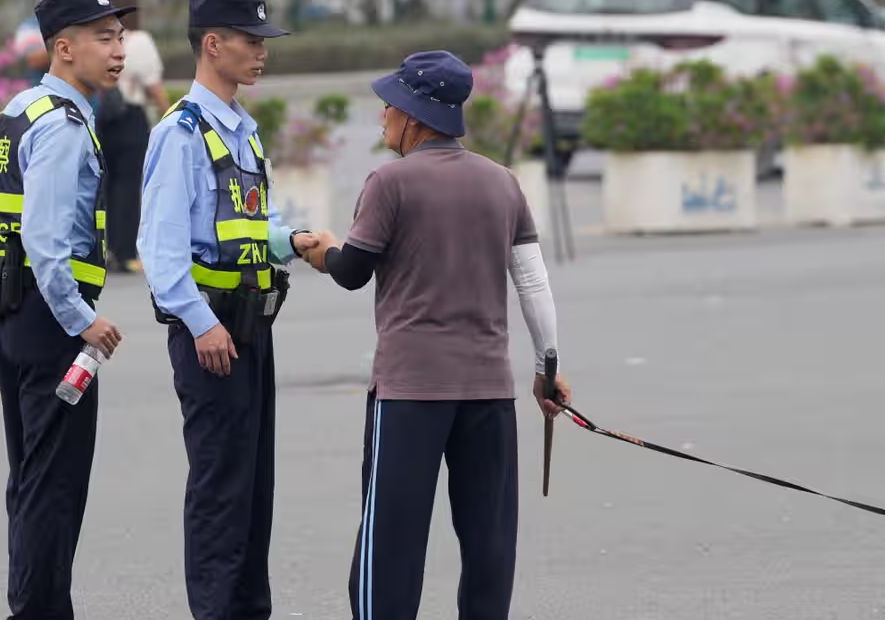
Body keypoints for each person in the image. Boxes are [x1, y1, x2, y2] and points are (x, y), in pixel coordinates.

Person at [302, 50, 572, 620]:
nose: (382, 117)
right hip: (488, 393)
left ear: (414, 115)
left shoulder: (389, 182)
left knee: (392, 541)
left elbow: (352, 272)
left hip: (411, 394)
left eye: (389, 106)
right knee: (488, 543)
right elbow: (533, 284)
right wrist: (547, 370)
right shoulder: (502, 183)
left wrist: (317, 249)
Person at [136, 1, 313, 617]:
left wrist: (293, 242)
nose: (262, 51)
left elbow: (248, 223)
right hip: (209, 334)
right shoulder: (179, 133)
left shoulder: (240, 127)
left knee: (253, 486)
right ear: (212, 44)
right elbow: (158, 250)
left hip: (251, 328)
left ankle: (248, 610)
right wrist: (201, 322)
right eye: (250, 39)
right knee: (219, 488)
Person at [0, 0, 130, 616]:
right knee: (53, 487)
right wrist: (79, 317)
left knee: (31, 479)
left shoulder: (17, 111)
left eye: (119, 36)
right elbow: (45, 237)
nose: (117, 50)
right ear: (64, 47)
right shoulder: (62, 125)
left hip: (6, 315)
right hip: (49, 324)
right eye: (101, 37)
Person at [97, 0, 168, 272]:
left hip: (102, 119)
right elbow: (153, 85)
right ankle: (125, 253)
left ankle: (105, 250)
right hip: (130, 118)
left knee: (105, 186)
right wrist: (170, 112)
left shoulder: (101, 39)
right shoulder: (139, 41)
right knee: (128, 187)